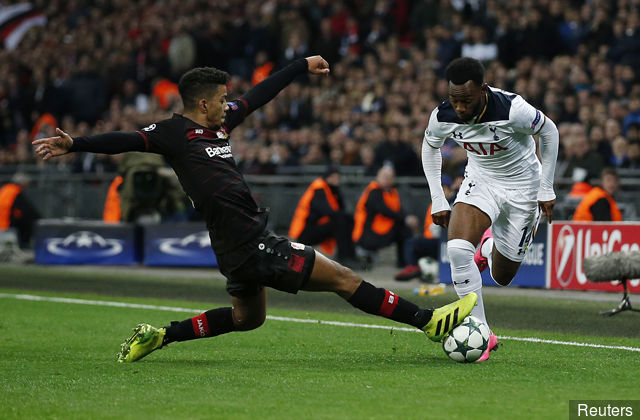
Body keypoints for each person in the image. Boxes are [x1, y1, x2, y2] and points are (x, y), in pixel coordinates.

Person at [33, 56, 476, 363]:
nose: (229, 104)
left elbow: (261, 95)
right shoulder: (172, 134)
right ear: (202, 103)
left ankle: (161, 334)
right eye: (222, 98)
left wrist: (301, 67)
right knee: (343, 277)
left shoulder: (220, 124)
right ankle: (428, 322)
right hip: (250, 241)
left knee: (248, 319)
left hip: (233, 246)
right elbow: (126, 139)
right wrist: (76, 145)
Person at [422, 57, 558, 361]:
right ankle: (481, 329)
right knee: (456, 249)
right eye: (454, 100)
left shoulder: (512, 109)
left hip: (524, 188)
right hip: (481, 180)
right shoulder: (443, 115)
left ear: (483, 90)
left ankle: (489, 249)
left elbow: (549, 133)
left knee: (503, 275)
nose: (459, 108)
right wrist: (438, 198)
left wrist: (546, 188)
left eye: (466, 101)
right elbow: (430, 146)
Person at [394, 174, 459, 281]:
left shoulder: (456, 201)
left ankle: (414, 268)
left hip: (447, 241)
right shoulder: (438, 202)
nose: (439, 192)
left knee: (412, 243)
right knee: (412, 242)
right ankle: (417, 269)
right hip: (438, 240)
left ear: (449, 188)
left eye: (442, 188)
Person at [352, 165, 419, 268]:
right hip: (368, 235)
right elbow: (384, 209)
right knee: (403, 228)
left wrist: (408, 218)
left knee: (405, 230)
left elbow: (398, 210)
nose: (387, 179)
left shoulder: (392, 192)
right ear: (378, 176)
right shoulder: (374, 191)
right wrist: (405, 219)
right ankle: (405, 263)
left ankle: (404, 263)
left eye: (390, 177)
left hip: (385, 230)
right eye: (384, 176)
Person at [288, 166, 355, 262]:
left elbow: (340, 210)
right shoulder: (319, 188)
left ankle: (350, 256)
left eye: (337, 178)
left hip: (316, 227)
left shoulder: (333, 190)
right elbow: (326, 211)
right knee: (339, 222)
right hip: (303, 232)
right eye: (333, 177)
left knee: (345, 221)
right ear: (327, 177)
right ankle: (344, 258)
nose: (336, 180)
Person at [0, 172, 40, 248]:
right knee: (27, 222)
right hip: (6, 224)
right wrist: (40, 218)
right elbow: (28, 209)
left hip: (3, 221)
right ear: (22, 183)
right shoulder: (16, 191)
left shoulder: (5, 188)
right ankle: (24, 245)